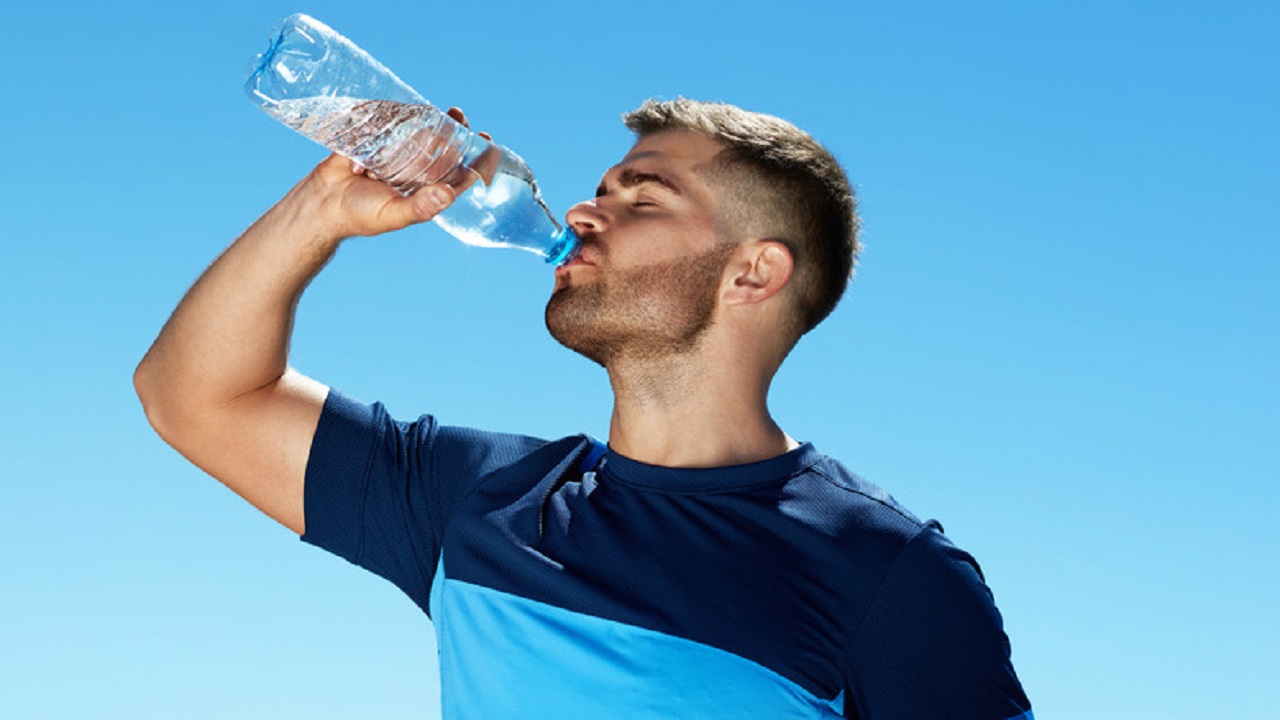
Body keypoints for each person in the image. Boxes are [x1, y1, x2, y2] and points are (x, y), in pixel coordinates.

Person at [135, 98, 1033, 719]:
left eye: (644, 198)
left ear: (754, 272)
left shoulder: (891, 574)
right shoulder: (480, 497)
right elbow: (194, 395)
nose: (584, 211)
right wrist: (322, 209)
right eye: (602, 190)